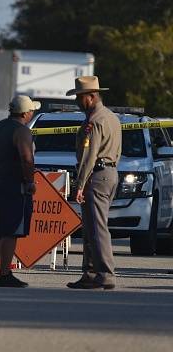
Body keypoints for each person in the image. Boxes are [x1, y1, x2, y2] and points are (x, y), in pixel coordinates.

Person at [66, 76, 121, 290]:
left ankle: (105, 274)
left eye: (80, 97)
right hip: (108, 173)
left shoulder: (94, 121)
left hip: (96, 175)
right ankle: (90, 273)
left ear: (91, 97)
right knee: (90, 227)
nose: (78, 102)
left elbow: (90, 155)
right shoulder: (111, 117)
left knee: (97, 228)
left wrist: (80, 183)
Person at [0, 95, 40, 287]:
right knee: (10, 231)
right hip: (13, 186)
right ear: (25, 113)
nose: (33, 113)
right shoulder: (22, 131)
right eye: (32, 110)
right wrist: (30, 181)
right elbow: (27, 158)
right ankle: (5, 274)